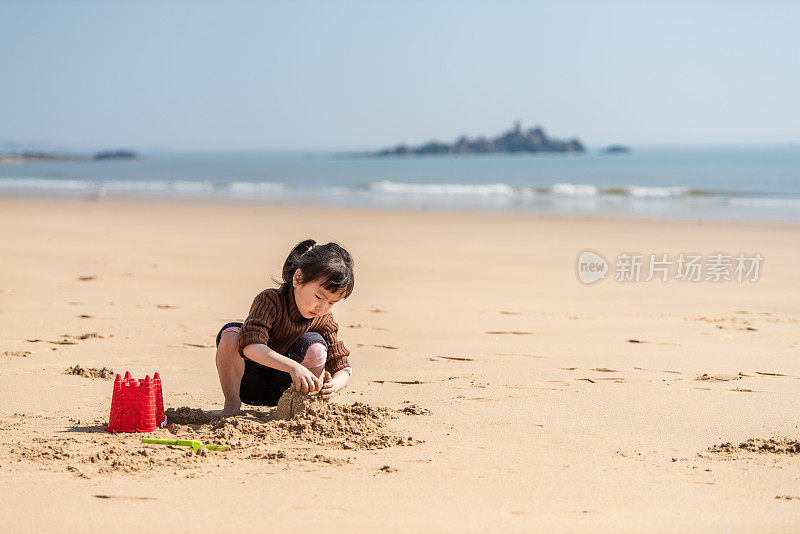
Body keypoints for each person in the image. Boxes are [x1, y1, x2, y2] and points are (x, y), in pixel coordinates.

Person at [214, 239, 354, 415]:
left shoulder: (324, 319)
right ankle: (231, 406)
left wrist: (335, 384)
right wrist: (293, 367)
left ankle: (296, 407)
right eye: (319, 297)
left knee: (317, 347)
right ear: (298, 278)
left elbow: (343, 366)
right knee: (231, 335)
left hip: (287, 389)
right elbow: (250, 347)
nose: (323, 307)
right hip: (247, 382)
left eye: (332, 302)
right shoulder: (270, 301)